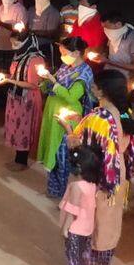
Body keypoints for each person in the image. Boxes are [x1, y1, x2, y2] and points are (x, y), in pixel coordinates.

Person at [64, 69, 134, 265]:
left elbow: (80, 147)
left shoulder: (97, 118)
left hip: (97, 175)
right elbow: (123, 144)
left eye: (95, 85)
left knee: (87, 222)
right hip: (116, 176)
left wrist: (69, 132)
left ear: (101, 91)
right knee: (108, 224)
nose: (92, 88)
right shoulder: (125, 113)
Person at [37, 37, 94, 198]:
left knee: (63, 157)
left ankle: (65, 195)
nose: (62, 56)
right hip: (52, 112)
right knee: (52, 152)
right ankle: (54, 190)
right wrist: (45, 79)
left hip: (67, 117)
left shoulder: (84, 73)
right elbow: (50, 84)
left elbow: (71, 96)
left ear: (76, 53)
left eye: (64, 52)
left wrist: (54, 83)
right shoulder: (65, 66)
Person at [0, 33, 47, 171]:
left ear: (26, 43)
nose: (14, 47)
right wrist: (6, 76)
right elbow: (16, 74)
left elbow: (33, 85)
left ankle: (22, 161)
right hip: (16, 97)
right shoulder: (19, 55)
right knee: (16, 127)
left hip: (27, 99)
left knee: (24, 129)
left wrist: (9, 81)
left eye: (16, 44)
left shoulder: (35, 60)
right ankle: (18, 157)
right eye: (12, 43)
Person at [58, 144, 100, 265]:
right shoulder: (92, 185)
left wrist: (66, 226)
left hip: (76, 227)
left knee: (73, 252)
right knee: (82, 252)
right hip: (87, 226)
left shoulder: (77, 186)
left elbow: (73, 209)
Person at [0, 0, 28, 109]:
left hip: (11, 47)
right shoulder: (0, 8)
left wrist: (3, 24)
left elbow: (20, 31)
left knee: (8, 74)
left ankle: (5, 102)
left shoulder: (20, 9)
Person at [96, 12, 134, 80]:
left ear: (118, 24)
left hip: (122, 78)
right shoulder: (113, 34)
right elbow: (109, 50)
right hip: (108, 72)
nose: (105, 30)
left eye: (107, 27)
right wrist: (103, 55)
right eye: (103, 27)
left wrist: (108, 61)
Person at [69, 0, 106, 74]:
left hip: (89, 67)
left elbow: (97, 49)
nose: (80, 8)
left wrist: (79, 58)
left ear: (93, 6)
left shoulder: (100, 24)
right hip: (74, 62)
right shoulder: (78, 21)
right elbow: (71, 38)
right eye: (80, 5)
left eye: (83, 5)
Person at [28, 0, 60, 68]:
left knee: (45, 69)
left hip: (45, 47)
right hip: (30, 46)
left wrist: (33, 32)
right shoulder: (31, 10)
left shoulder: (53, 12)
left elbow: (51, 33)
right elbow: (27, 26)